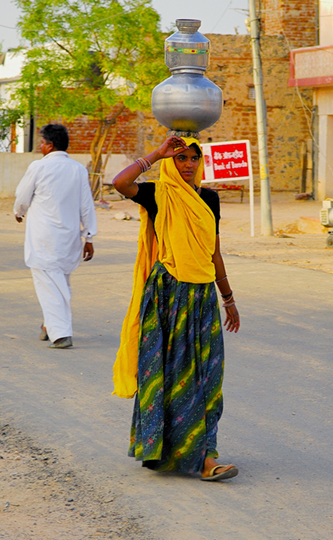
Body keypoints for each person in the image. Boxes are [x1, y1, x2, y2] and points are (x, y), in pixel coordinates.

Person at [112, 135, 240, 481]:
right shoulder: (158, 194)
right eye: (181, 158)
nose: (187, 165)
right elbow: (120, 182)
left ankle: (205, 452)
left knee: (206, 377)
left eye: (193, 158)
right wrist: (155, 154)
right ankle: (178, 453)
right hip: (168, 296)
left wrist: (227, 298)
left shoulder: (209, 198)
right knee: (167, 375)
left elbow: (213, 250)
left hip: (202, 299)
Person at [14, 123, 97, 349]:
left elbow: (22, 197)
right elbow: (86, 205)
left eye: (42, 143)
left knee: (49, 285)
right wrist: (89, 237)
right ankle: (48, 326)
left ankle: (60, 334)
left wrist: (18, 212)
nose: (40, 146)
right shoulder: (78, 169)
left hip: (43, 238)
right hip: (69, 238)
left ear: (50, 146)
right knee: (59, 282)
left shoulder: (38, 167)